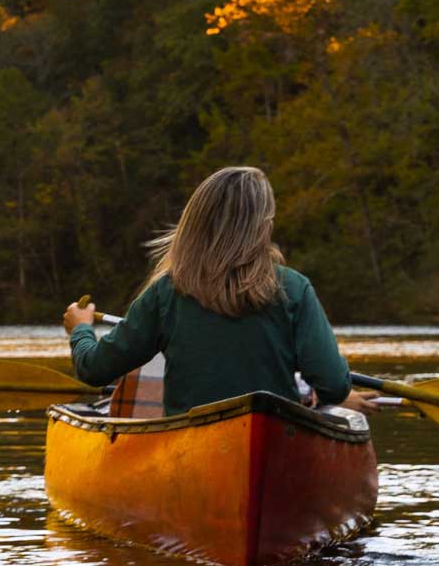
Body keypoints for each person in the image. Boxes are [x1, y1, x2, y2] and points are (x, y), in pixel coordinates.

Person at [63, 165, 378, 417]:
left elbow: (93, 369)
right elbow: (335, 386)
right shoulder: (293, 289)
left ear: (195, 224)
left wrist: (81, 330)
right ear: (265, 224)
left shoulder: (167, 293)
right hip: (278, 436)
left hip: (189, 445)